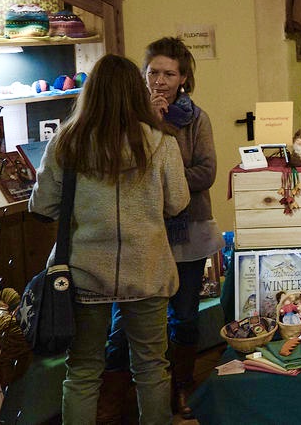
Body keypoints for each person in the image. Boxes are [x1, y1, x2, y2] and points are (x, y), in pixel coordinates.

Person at [28, 54, 189, 424]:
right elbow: (178, 202)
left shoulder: (66, 142)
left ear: (91, 92)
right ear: (136, 92)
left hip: (83, 272)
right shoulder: (161, 143)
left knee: (82, 372)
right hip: (147, 268)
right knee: (151, 367)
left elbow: (43, 205)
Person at [100, 37, 222, 421]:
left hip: (189, 230)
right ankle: (113, 400)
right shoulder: (126, 120)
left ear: (183, 78)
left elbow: (206, 172)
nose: (160, 81)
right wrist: (150, 125)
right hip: (140, 233)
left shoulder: (197, 119)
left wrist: (163, 180)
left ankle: (181, 386)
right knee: (124, 321)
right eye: (153, 72)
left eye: (169, 74)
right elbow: (120, 172)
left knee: (184, 315)